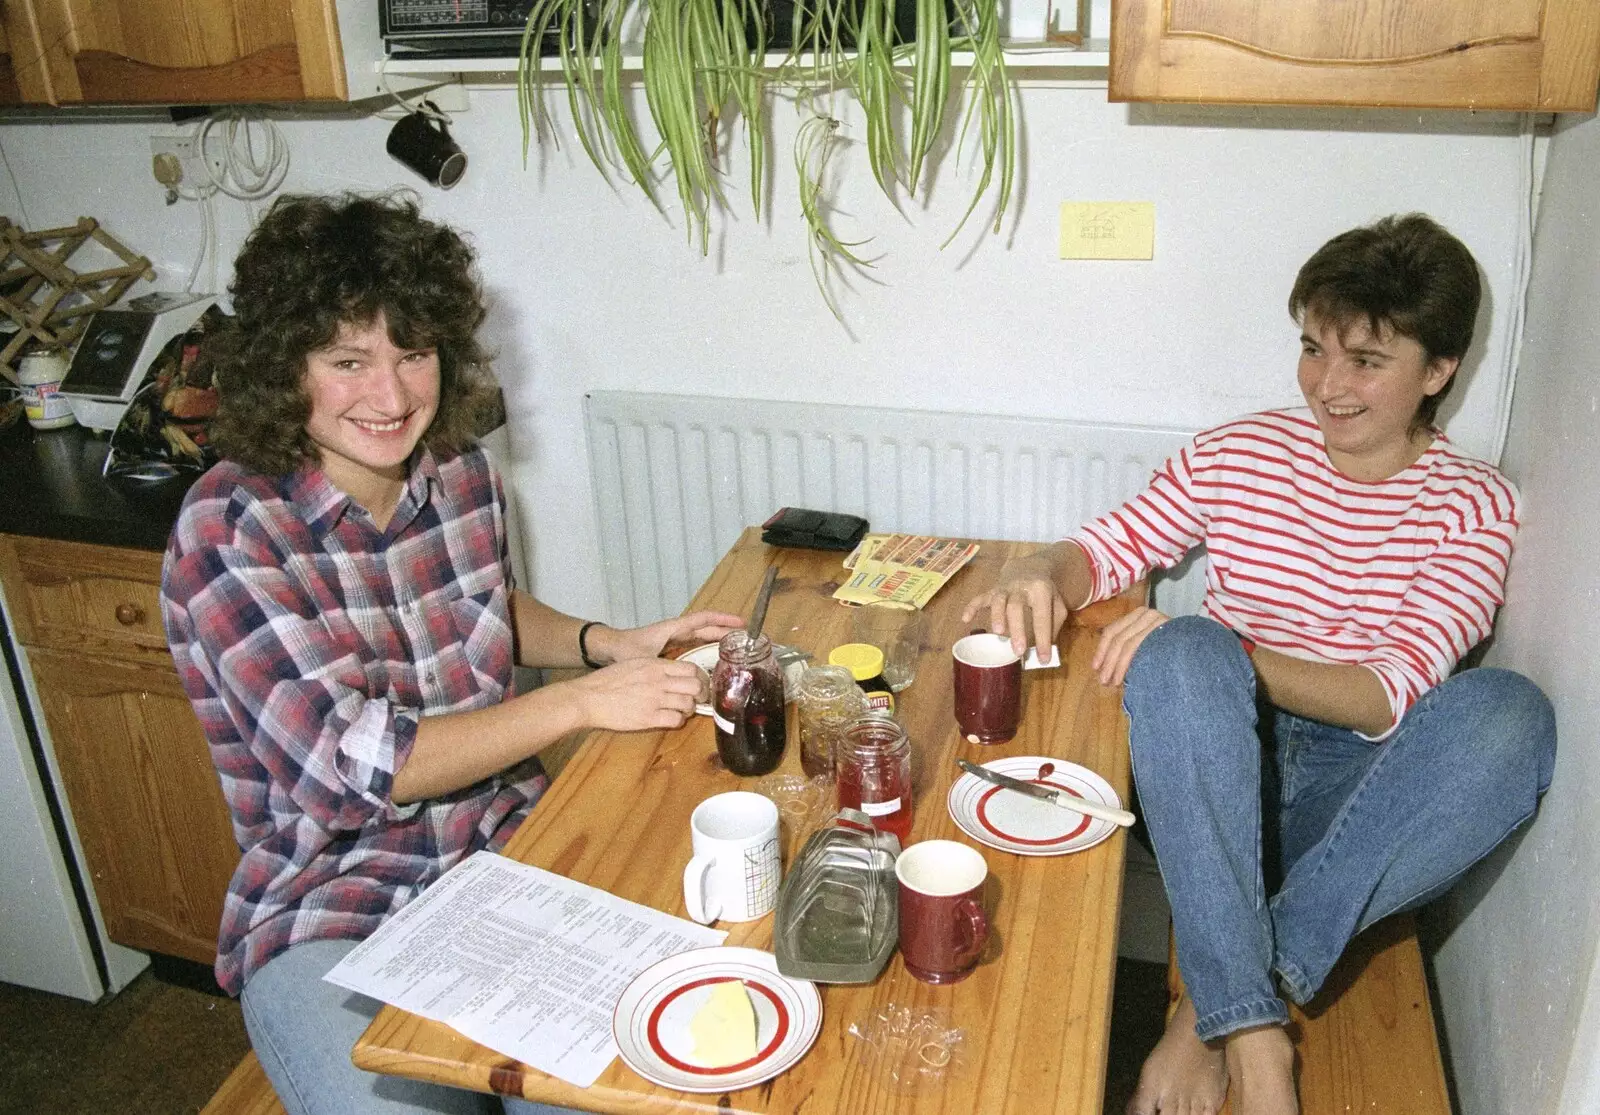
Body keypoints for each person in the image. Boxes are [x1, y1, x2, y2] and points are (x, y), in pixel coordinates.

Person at [159, 192, 743, 1115]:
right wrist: (580, 703)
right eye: (348, 361)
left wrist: (602, 644)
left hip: (503, 856)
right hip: (330, 904)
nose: (391, 397)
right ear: (285, 365)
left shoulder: (462, 469)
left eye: (414, 354)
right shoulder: (229, 532)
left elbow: (477, 607)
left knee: (617, 1087)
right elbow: (363, 767)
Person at [962, 214, 1556, 1115]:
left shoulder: (1476, 506)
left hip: (1352, 803)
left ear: (1438, 372)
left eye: (1366, 360)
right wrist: (1041, 567)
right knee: (1188, 653)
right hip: (1208, 764)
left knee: (1513, 717)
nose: (1327, 384)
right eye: (1314, 348)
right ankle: (1258, 1038)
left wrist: (1242, 656)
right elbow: (1110, 548)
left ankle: (1220, 1009)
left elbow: (1386, 695)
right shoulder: (1240, 452)